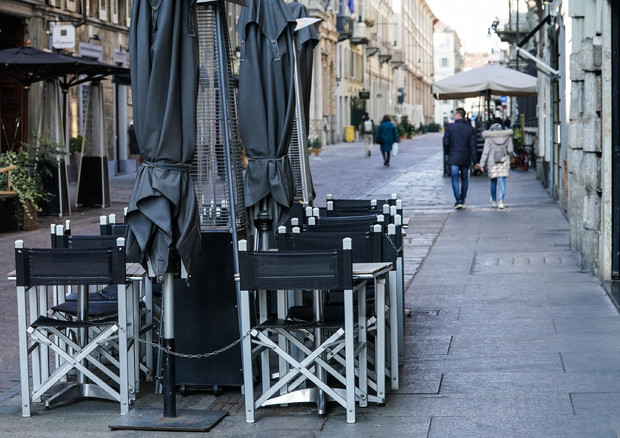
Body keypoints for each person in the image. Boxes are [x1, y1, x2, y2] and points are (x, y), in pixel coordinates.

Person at [475, 117, 514, 209]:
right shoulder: (507, 135)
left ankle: (493, 201)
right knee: (502, 181)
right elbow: (510, 150)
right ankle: (501, 201)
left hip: (492, 161)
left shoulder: (489, 136)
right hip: (503, 161)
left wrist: (481, 164)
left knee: (493, 181)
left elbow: (485, 152)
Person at [443, 107, 477, 209]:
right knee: (464, 179)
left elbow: (446, 142)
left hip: (453, 156)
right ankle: (463, 198)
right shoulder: (470, 129)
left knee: (454, 179)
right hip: (465, 157)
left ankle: (458, 200)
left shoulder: (450, 127)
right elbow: (472, 146)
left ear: (458, 115)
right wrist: (475, 160)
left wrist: (448, 153)